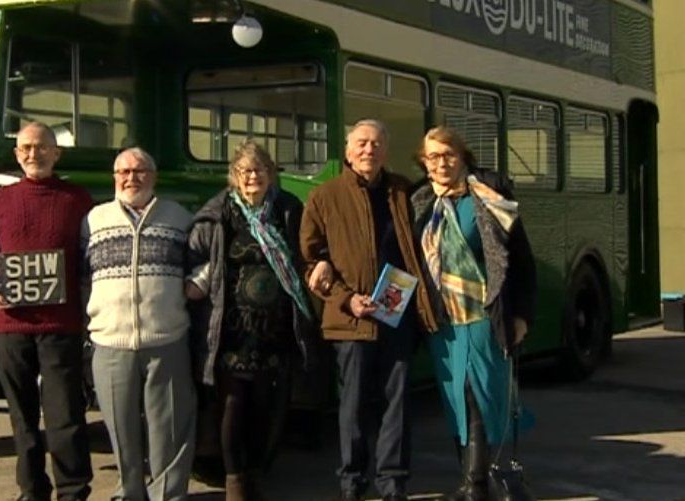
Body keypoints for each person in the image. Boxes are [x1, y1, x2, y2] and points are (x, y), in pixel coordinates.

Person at [301, 119, 438, 501]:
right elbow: (310, 260)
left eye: (376, 144)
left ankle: (393, 483)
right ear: (347, 151)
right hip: (350, 320)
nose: (368, 150)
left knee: (397, 403)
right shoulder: (324, 196)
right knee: (354, 405)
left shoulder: (402, 192)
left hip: (397, 315)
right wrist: (345, 298)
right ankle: (352, 483)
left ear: (386, 152)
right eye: (361, 143)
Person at [409, 126, 536, 501]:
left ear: (463, 157)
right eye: (433, 157)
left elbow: (522, 261)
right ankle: (470, 479)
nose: (441, 163)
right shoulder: (421, 203)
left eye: (448, 154)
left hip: (484, 317)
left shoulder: (488, 198)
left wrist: (521, 316)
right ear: (424, 163)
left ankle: (476, 484)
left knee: (479, 394)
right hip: (443, 323)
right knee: (455, 400)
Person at [187, 141, 317, 501]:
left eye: (259, 170)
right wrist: (197, 281)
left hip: (276, 329)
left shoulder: (288, 210)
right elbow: (194, 259)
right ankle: (235, 480)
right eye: (245, 171)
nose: (252, 177)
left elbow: (306, 252)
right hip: (230, 330)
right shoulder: (218, 215)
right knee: (231, 403)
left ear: (271, 175)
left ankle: (257, 469)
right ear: (234, 176)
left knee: (265, 403)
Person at [0, 122, 93, 501]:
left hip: (61, 324)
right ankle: (31, 489)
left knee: (64, 415)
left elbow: (91, 258)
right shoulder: (0, 200)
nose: (33, 154)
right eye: (25, 147)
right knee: (22, 417)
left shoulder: (77, 199)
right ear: (16, 154)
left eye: (41, 147)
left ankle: (73, 491)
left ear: (56, 153)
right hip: (11, 324)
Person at [81, 147, 197, 501]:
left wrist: (198, 284)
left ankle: (167, 493)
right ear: (115, 178)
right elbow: (80, 273)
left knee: (170, 425)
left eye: (140, 171)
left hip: (167, 336)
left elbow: (205, 261)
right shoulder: (93, 220)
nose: (132, 178)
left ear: (154, 176)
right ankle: (129, 492)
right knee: (119, 426)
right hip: (111, 341)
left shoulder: (179, 217)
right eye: (124, 172)